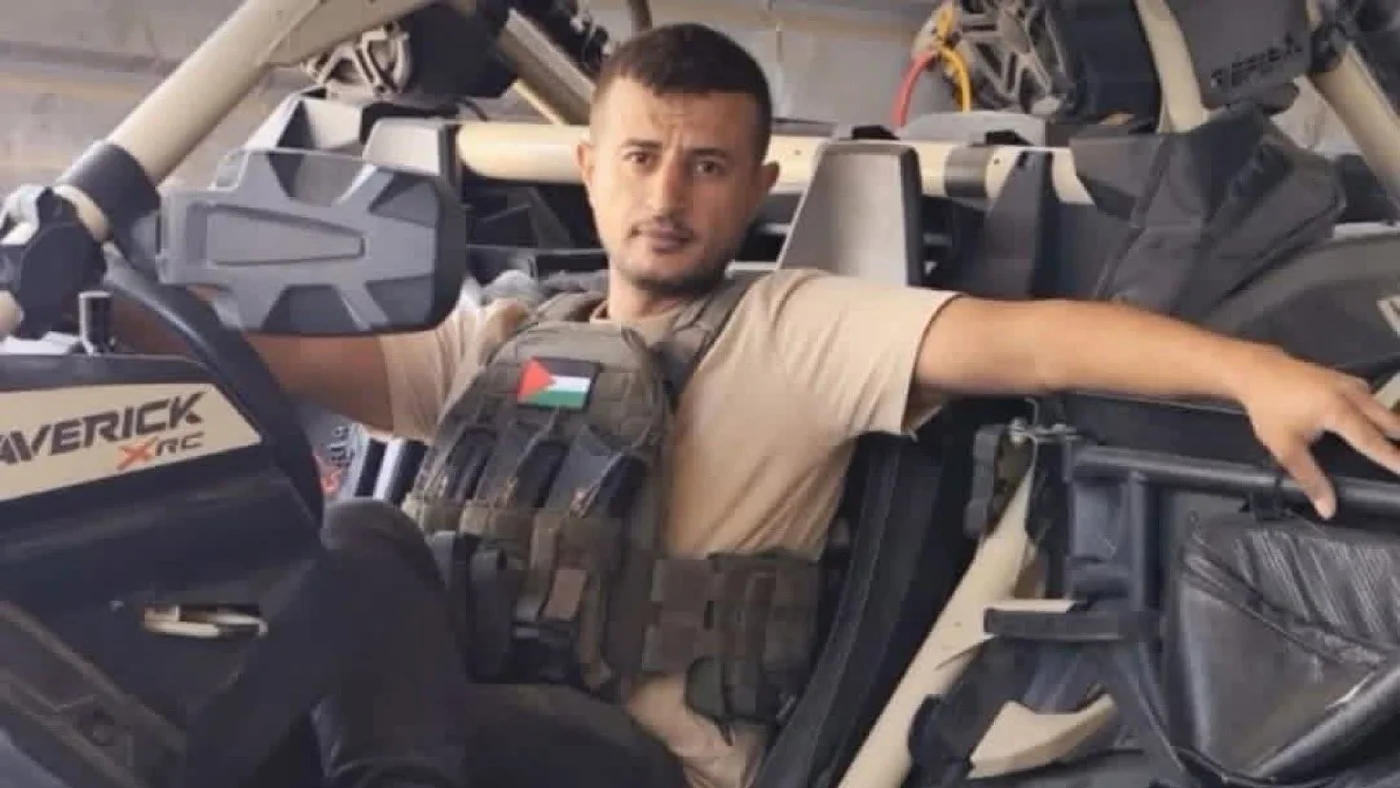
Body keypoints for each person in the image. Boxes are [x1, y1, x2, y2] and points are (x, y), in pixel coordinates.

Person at [114, 22, 1400, 788]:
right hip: (452, 724)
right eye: (640, 157)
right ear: (591, 167)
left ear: (751, 186)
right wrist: (92, 302)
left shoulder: (798, 329)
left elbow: (1037, 338)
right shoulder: (508, 333)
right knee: (355, 543)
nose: (666, 195)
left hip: (633, 762)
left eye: (706, 166)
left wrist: (1256, 371)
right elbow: (273, 363)